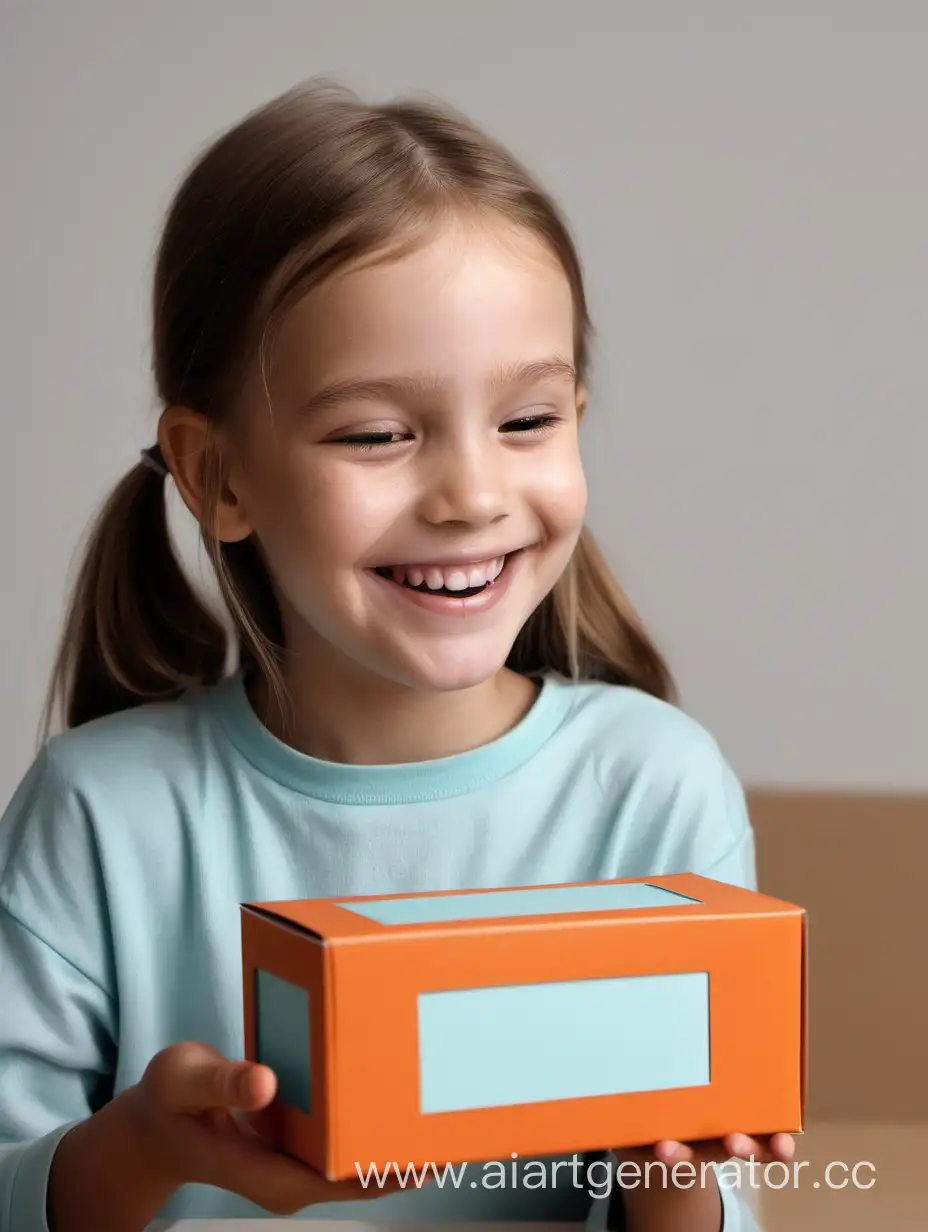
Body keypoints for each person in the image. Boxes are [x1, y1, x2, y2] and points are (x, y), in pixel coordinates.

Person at [0, 79, 793, 1232]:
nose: (473, 494)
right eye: (377, 433)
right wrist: (139, 1149)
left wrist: (667, 1158)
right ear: (215, 473)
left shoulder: (650, 791)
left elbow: (706, 1204)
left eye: (528, 419)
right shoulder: (97, 813)